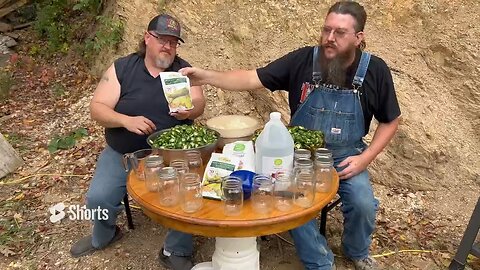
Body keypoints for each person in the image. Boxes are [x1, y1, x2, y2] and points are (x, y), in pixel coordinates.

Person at [180, 1, 400, 270]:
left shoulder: (375, 70)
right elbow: (252, 78)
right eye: (326, 30)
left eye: (340, 33)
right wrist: (206, 77)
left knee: (363, 203)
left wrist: (365, 159)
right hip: (298, 156)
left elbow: (391, 121)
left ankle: (356, 250)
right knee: (293, 203)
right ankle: (320, 262)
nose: (329, 38)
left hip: (347, 157)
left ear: (358, 38)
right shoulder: (303, 60)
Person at [70, 14, 205, 270]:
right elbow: (97, 109)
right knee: (98, 198)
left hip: (170, 153)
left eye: (173, 42)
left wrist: (189, 111)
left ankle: (175, 250)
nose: (167, 46)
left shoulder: (183, 69)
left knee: (188, 191)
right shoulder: (122, 67)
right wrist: (125, 120)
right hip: (124, 152)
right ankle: (105, 235)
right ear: (147, 38)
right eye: (161, 39)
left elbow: (199, 104)